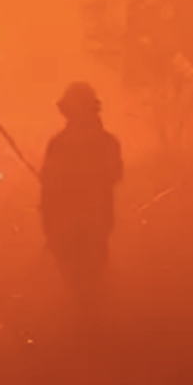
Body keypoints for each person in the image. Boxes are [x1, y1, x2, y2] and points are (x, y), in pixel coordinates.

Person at [39, 82, 123, 303]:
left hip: (87, 221)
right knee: (81, 281)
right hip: (78, 222)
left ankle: (93, 322)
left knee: (87, 279)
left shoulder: (63, 143)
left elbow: (112, 175)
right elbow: (48, 188)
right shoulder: (102, 142)